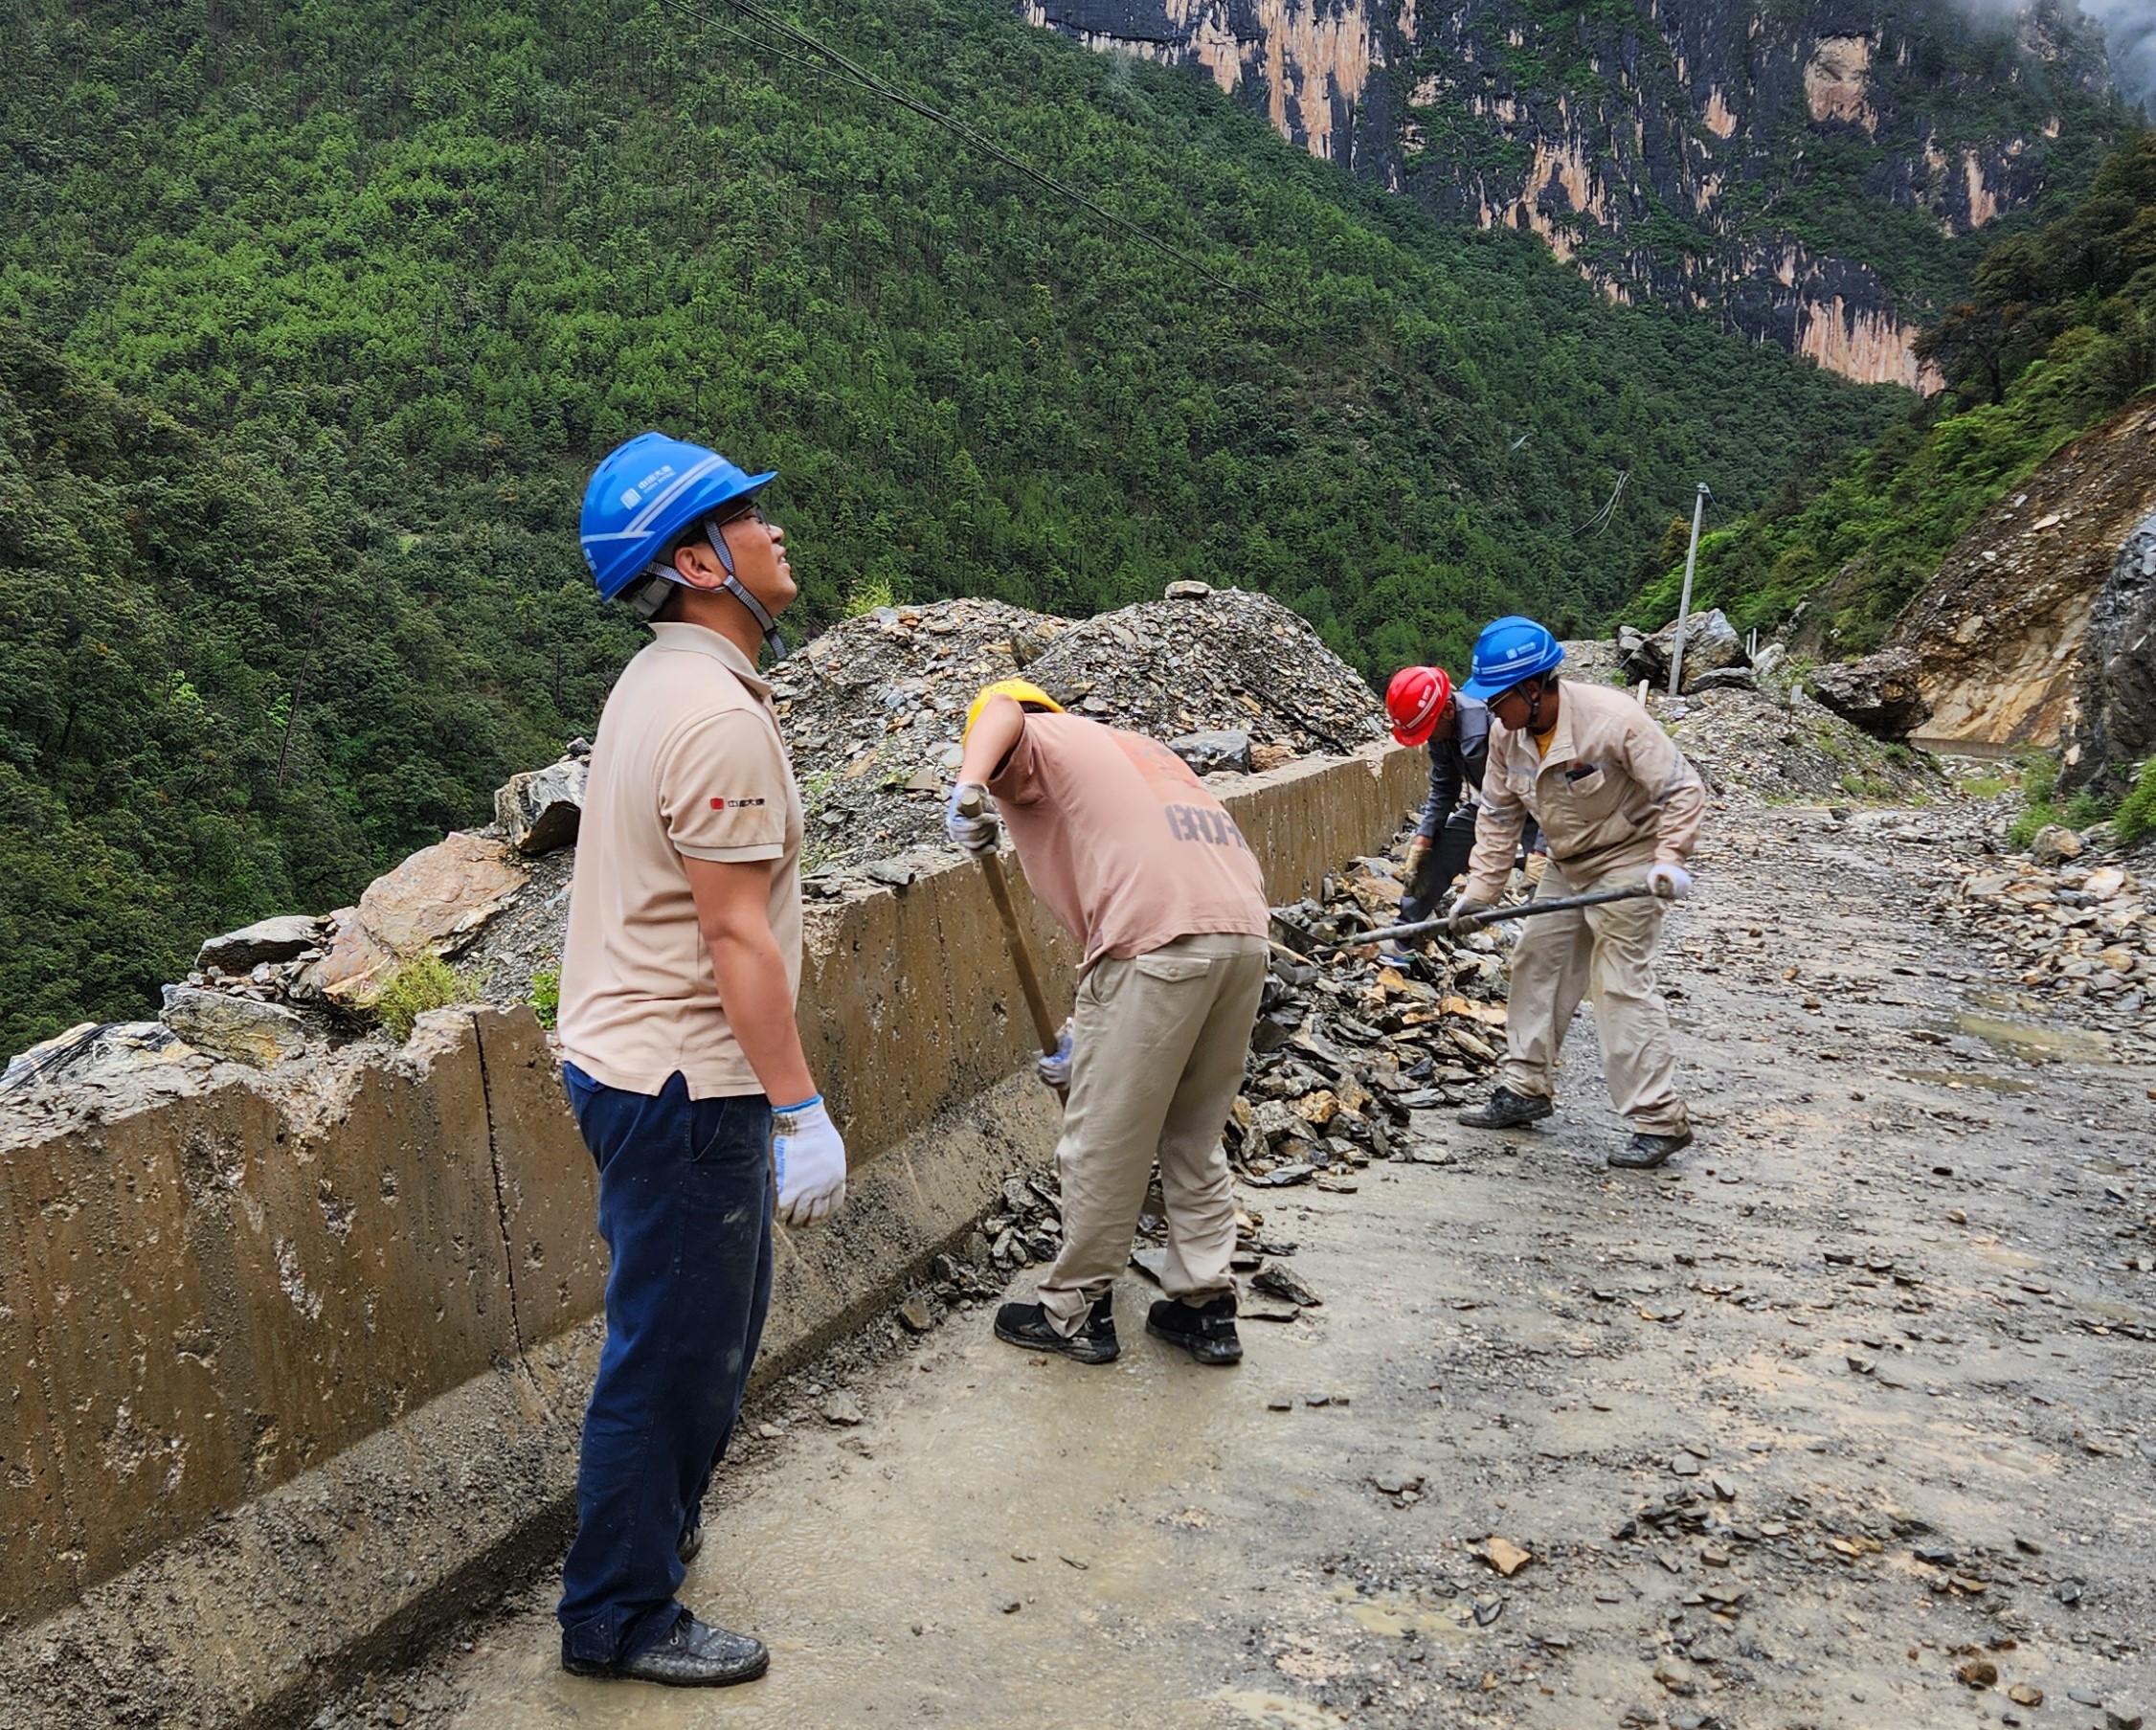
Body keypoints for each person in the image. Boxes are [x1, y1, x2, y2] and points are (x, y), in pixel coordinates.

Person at [552, 432, 848, 1688]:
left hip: (630, 1062)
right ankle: (617, 1612)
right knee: (674, 1350)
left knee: (703, 1331)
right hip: (682, 1083)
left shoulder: (663, 682)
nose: (775, 530)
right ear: (696, 557)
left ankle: (653, 1535)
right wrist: (801, 1106)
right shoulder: (713, 717)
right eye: (746, 515)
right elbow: (734, 932)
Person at [946, 680, 1271, 1368]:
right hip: (1242, 936)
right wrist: (1086, 1035)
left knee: (1102, 1138)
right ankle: (1205, 1306)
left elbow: (1001, 706)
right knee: (1193, 1129)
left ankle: (1075, 1313)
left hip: (1158, 944)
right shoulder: (1131, 748)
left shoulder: (1037, 739)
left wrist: (970, 784)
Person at [1447, 617, 1703, 1170]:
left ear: (1534, 689)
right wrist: (1481, 893)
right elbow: (1497, 815)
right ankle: (1525, 1088)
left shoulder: (1613, 721)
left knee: (1618, 983)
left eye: (1499, 699)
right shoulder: (1505, 734)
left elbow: (1682, 789)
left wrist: (1670, 860)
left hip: (1629, 858)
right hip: (1568, 863)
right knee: (1536, 957)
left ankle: (1659, 1119)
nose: (1492, 709)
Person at [1384, 664, 1541, 923]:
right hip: (1490, 805)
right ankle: (1403, 935)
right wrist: (1424, 838)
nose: (1427, 740)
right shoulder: (1442, 732)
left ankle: (1551, 947)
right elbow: (1445, 786)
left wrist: (1542, 851)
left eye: (1427, 732)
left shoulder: (1496, 721)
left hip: (1535, 808)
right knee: (1437, 859)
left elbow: (1547, 787)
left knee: (1546, 881)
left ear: (1447, 710)